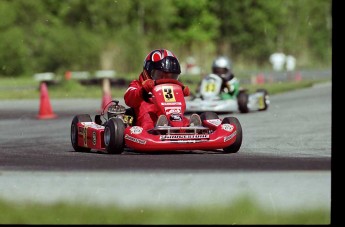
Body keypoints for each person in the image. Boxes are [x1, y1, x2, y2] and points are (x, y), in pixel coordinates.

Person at [124, 49, 201, 130]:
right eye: (160, 75)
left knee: (179, 118)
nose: (165, 80)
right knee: (149, 119)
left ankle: (189, 128)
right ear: (148, 71)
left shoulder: (170, 89)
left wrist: (181, 91)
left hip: (167, 115)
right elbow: (128, 98)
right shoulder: (137, 84)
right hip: (145, 118)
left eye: (171, 77)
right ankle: (157, 131)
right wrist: (142, 91)